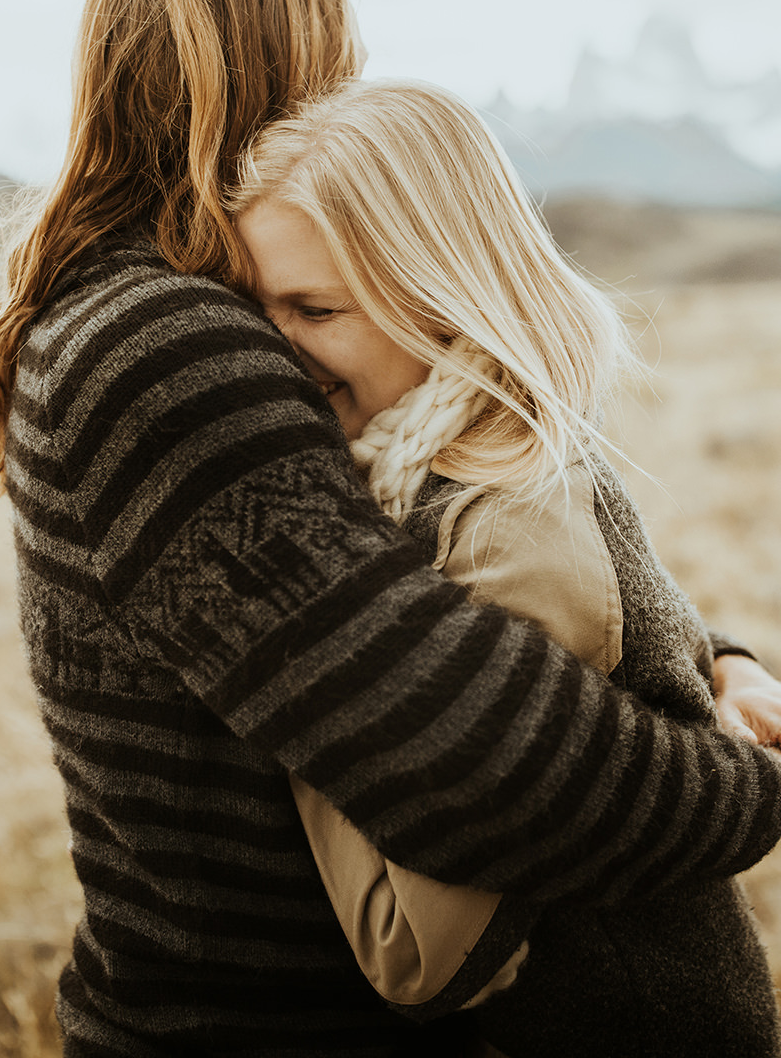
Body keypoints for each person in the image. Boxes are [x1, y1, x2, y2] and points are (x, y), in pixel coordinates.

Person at [0, 0, 781, 1058]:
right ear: (288, 68)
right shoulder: (163, 343)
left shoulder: (154, 318)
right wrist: (746, 782)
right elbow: (472, 755)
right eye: (331, 70)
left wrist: (706, 657)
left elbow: (423, 571)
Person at [230, 77, 781, 1056]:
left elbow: (420, 959)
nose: (271, 355)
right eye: (255, 309)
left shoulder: (503, 530)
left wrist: (290, 655)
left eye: (312, 309)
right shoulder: (457, 455)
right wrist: (726, 662)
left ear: (444, 301)